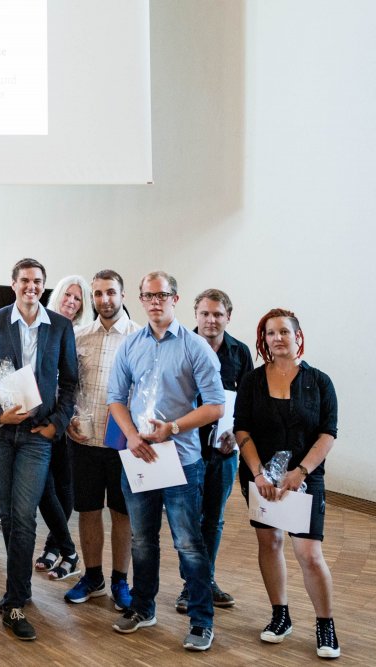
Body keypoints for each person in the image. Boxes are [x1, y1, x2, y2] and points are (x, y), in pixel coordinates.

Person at [107, 271, 225, 652]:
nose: (154, 302)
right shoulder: (130, 345)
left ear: (175, 298)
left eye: (162, 295)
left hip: (181, 459)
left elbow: (215, 406)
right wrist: (131, 435)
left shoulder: (195, 347)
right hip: (139, 454)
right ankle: (143, 608)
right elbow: (116, 399)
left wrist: (173, 427)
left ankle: (202, 621)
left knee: (189, 543)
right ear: (140, 300)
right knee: (142, 540)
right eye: (147, 296)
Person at [0, 258, 78, 641]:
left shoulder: (60, 326)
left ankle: (13, 603)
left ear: (43, 286)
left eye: (37, 281)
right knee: (12, 519)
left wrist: (56, 425)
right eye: (25, 281)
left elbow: (70, 383)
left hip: (37, 435)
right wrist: (1, 416)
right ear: (13, 284)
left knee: (24, 514)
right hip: (0, 433)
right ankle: (22, 589)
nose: (31, 286)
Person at [234, 308, 340, 659]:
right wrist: (258, 473)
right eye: (269, 333)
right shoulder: (251, 381)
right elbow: (241, 429)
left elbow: (328, 434)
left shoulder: (320, 382)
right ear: (263, 339)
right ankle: (280, 615)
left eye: (283, 332)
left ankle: (325, 624)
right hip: (261, 478)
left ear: (298, 336)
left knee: (309, 554)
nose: (276, 338)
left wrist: (301, 473)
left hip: (305, 479)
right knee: (270, 543)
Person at [63, 270, 140, 610]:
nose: (105, 300)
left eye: (111, 292)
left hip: (125, 445)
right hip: (85, 442)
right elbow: (66, 386)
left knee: (123, 514)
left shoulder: (140, 337)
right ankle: (92, 576)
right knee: (88, 511)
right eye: (98, 294)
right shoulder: (78, 336)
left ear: (122, 295)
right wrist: (67, 419)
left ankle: (120, 581)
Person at [174, 289, 253, 613]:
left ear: (228, 317)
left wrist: (236, 435)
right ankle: (190, 585)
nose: (211, 320)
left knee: (214, 520)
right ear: (196, 315)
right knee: (188, 520)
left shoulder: (240, 353)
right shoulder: (180, 347)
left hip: (223, 452)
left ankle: (204, 580)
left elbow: (248, 404)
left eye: (218, 314)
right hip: (187, 449)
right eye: (205, 314)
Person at [34, 275, 90, 580]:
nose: (71, 301)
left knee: (65, 486)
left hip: (71, 419)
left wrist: (71, 417)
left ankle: (54, 546)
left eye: (78, 298)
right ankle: (64, 547)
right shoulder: (43, 327)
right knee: (44, 488)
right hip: (42, 418)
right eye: (68, 294)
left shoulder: (82, 334)